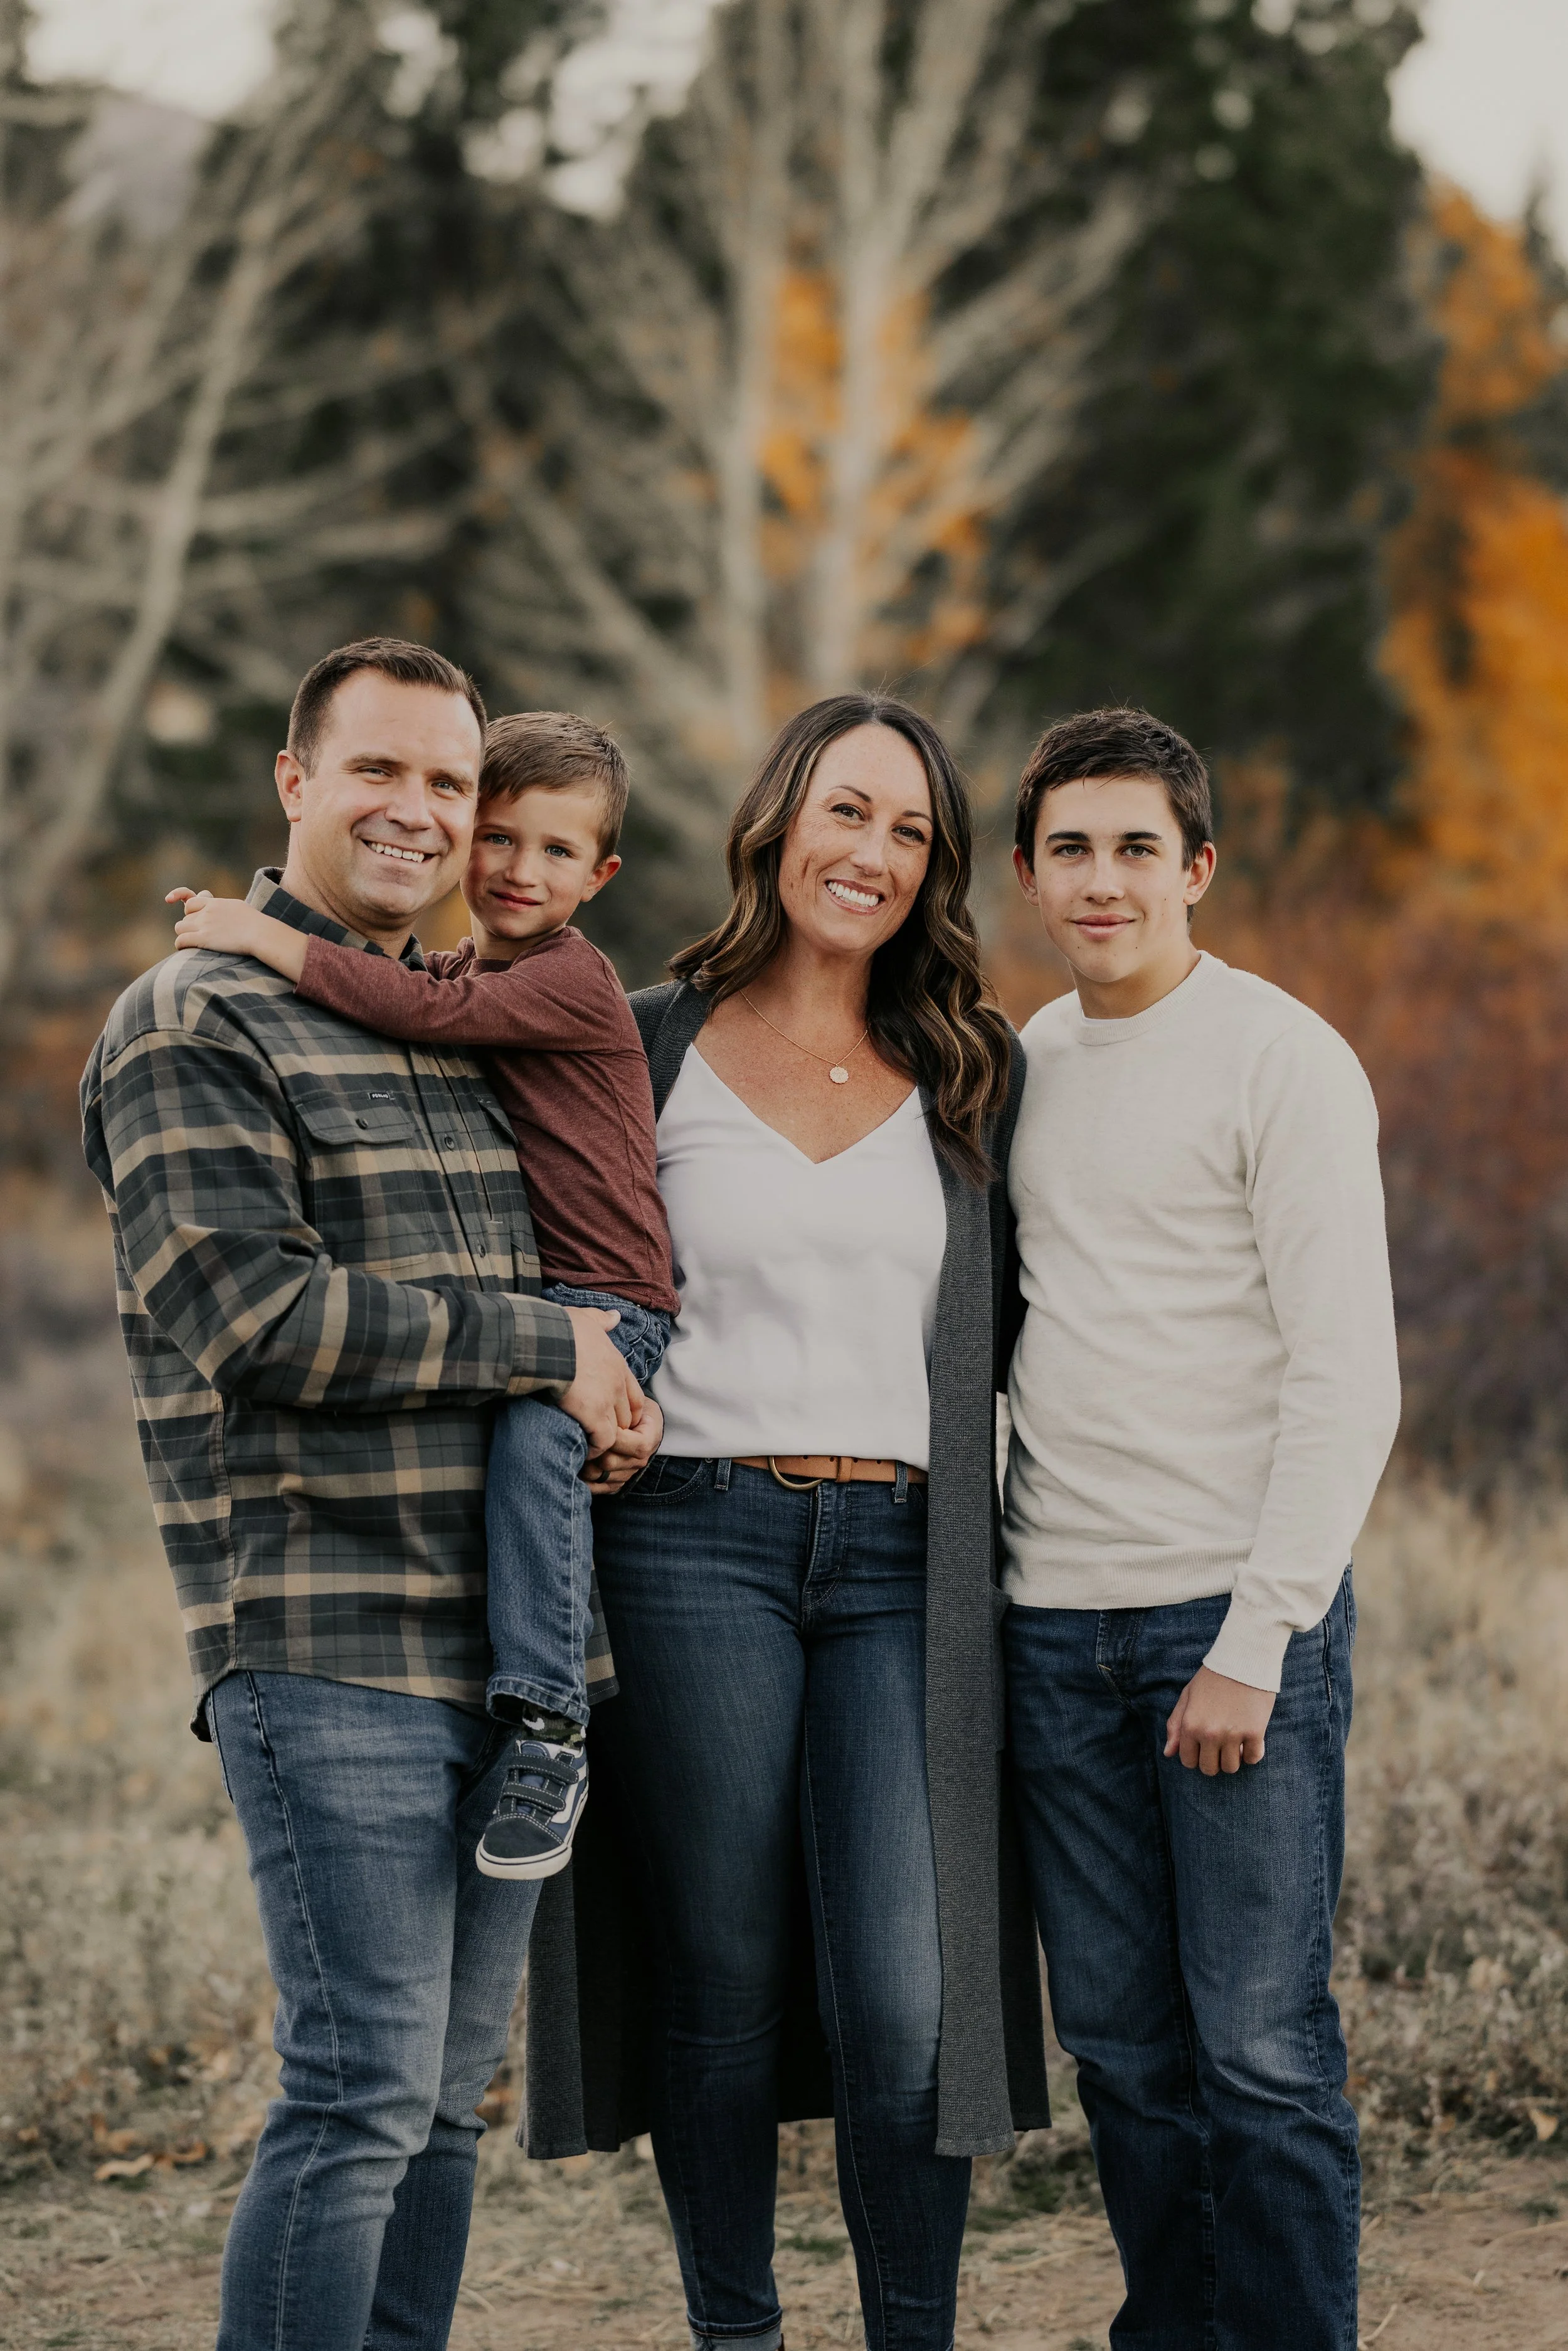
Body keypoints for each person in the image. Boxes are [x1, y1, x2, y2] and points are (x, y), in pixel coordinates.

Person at [81, 639, 656, 2351]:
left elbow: (562, 1302)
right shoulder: (190, 1015)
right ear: (294, 783)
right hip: (327, 1639)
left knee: (441, 2103)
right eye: (379, 771)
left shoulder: (473, 1020)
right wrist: (545, 1345)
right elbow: (254, 1315)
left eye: (450, 783)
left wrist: (601, 1392)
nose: (419, 812)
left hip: (510, 1651)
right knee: (355, 2091)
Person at [522, 692, 1051, 2351]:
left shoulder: (976, 1066)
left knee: (907, 1995)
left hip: (906, 1559)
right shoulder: (644, 1037)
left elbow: (1036, 1318)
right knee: (722, 1970)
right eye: (847, 812)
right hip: (690, 1542)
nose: (872, 853)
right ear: (777, 824)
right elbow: (564, 1266)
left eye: (908, 829)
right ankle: (734, 2332)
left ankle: (912, 2334)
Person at [1001, 707, 1401, 2350]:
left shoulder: (1279, 1055)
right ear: (1029, 872)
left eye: (1135, 848)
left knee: (1257, 2043)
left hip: (1224, 1631)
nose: (1102, 882)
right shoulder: (1019, 1063)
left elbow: (1347, 1376)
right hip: (1049, 1628)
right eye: (1069, 849)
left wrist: (1256, 1640)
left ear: (1197, 867)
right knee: (1121, 2048)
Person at [167, 709, 679, 1883]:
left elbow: (417, 1010)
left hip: (608, 1296)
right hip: (552, 1309)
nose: (517, 871)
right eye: (498, 839)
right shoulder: (475, 966)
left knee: (538, 1448)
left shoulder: (567, 979)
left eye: (557, 854)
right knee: (533, 1444)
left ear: (599, 878)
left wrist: (259, 935)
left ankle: (550, 1723)